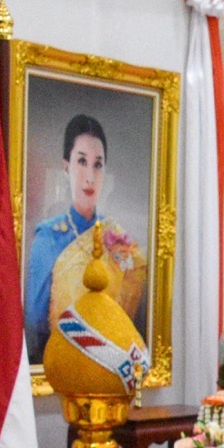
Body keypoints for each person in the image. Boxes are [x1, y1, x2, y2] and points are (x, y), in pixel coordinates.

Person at [25, 113, 145, 364]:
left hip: (111, 368)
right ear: (66, 165)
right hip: (62, 367)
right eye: (81, 161)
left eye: (98, 164)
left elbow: (128, 321)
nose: (90, 176)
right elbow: (35, 324)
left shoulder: (120, 241)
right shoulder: (49, 238)